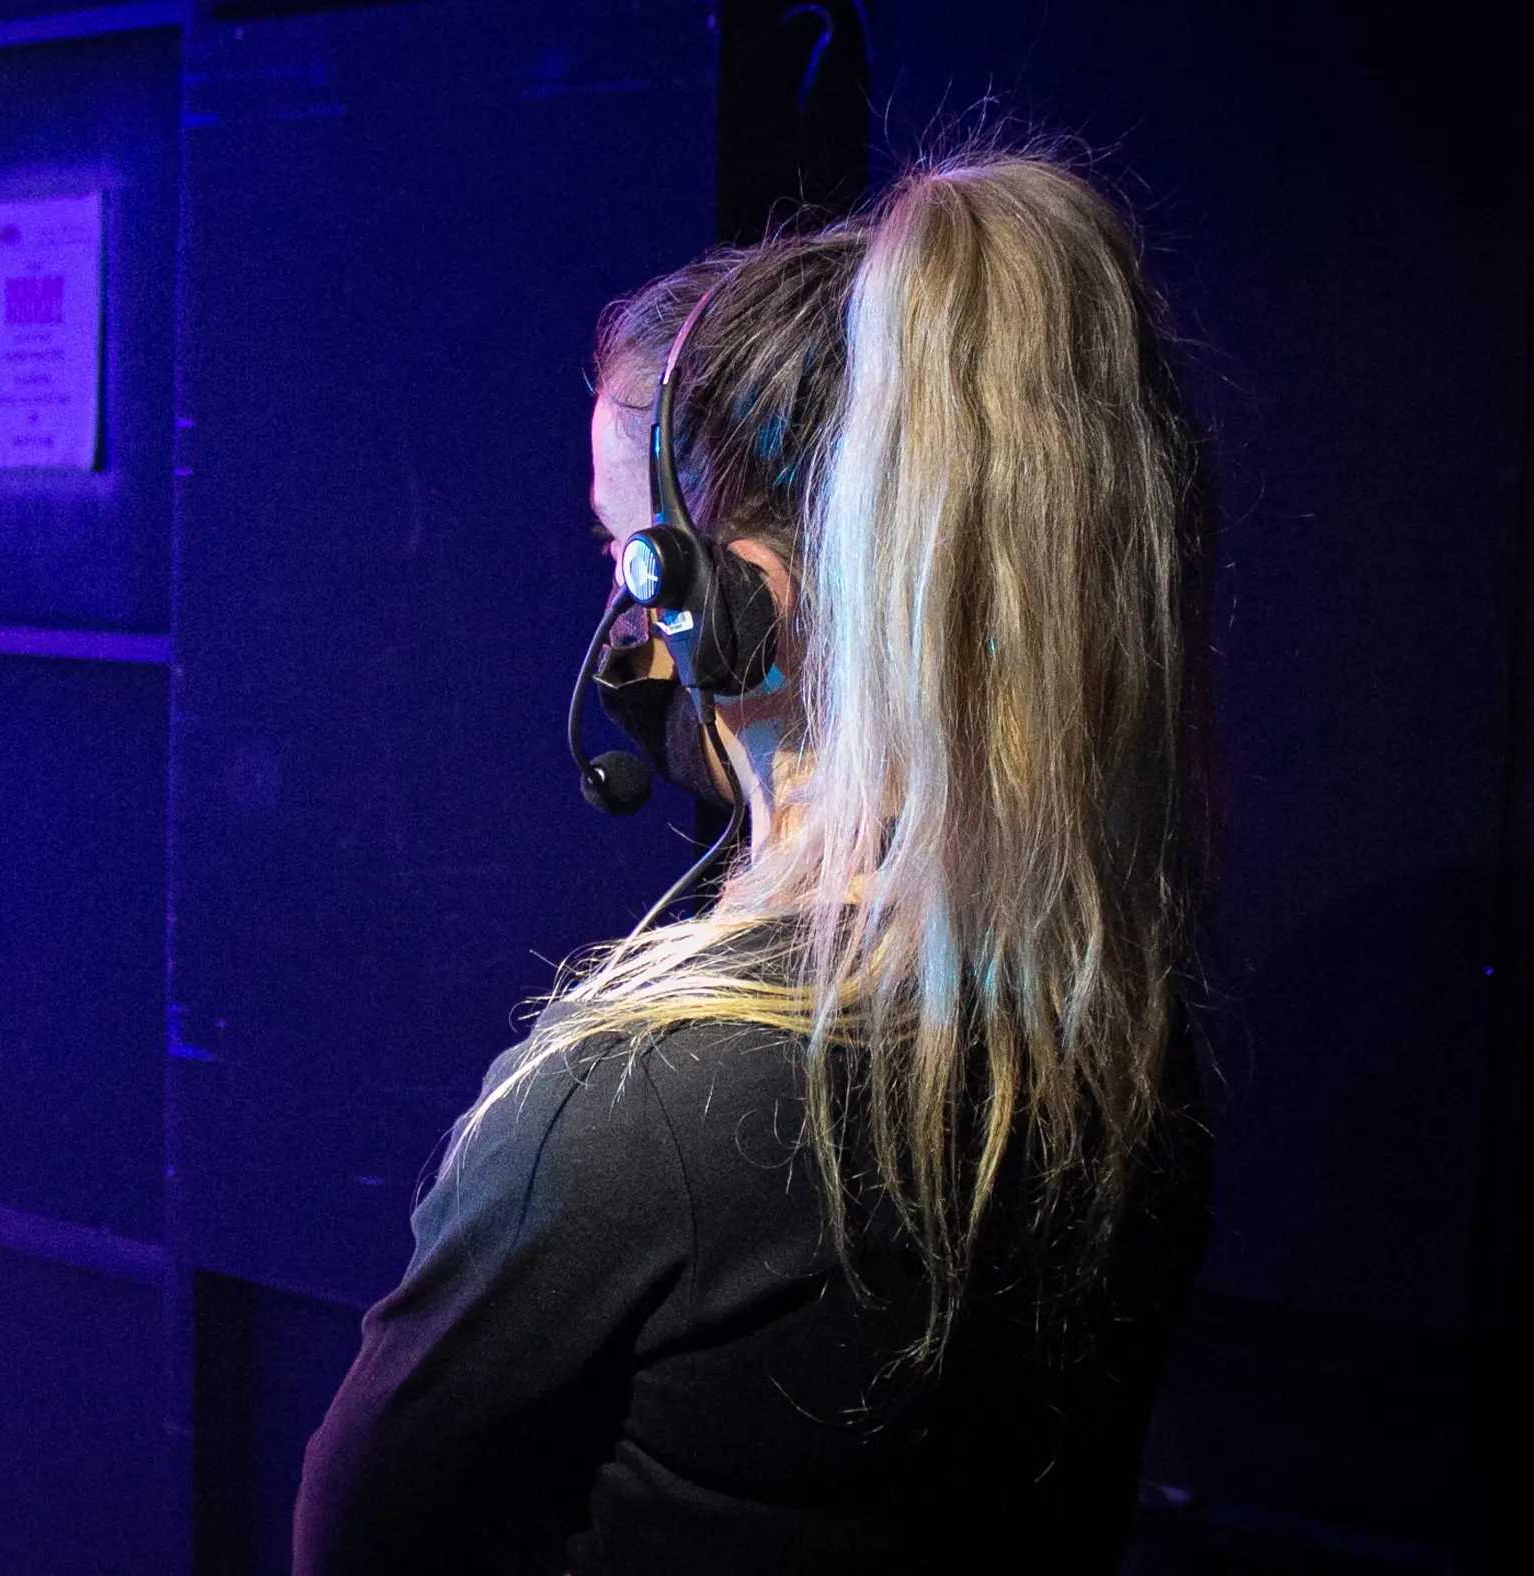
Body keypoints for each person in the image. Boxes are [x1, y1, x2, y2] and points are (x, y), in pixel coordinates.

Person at [292, 152, 1216, 1576]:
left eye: (627, 553)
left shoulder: (640, 1108)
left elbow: (359, 1535)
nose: (617, 616)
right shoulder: (1124, 1032)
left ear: (732, 600)